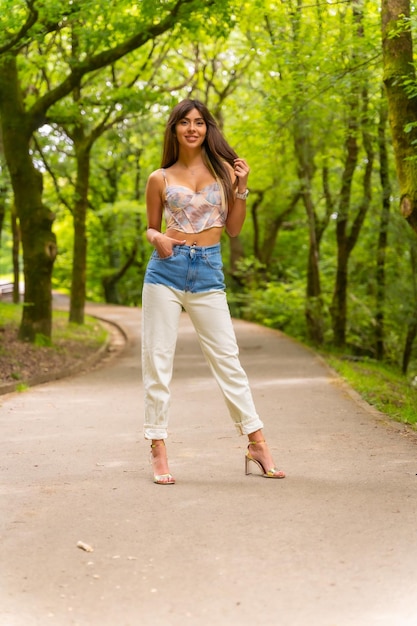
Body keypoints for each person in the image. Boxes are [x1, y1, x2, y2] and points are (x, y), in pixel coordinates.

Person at [142, 98, 285, 484]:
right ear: (174, 129)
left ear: (207, 128)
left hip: (207, 271)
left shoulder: (225, 172)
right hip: (165, 271)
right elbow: (151, 228)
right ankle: (157, 446)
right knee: (158, 361)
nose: (193, 128)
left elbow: (234, 229)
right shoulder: (160, 177)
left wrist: (242, 186)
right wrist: (157, 238)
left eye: (199, 122)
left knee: (228, 361)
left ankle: (257, 443)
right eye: (185, 122)